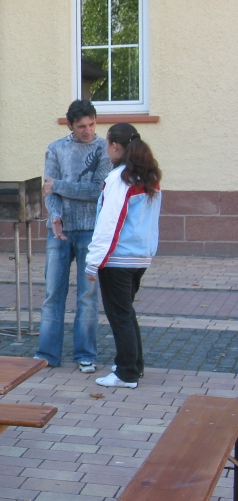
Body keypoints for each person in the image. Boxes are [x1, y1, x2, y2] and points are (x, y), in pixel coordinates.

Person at [35, 99, 110, 371]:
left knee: (87, 296)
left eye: (92, 124)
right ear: (70, 125)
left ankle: (85, 354)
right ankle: (47, 354)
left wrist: (59, 185)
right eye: (81, 126)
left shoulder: (104, 149)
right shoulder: (56, 149)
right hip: (59, 230)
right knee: (53, 293)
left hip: (91, 230)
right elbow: (49, 191)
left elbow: (97, 191)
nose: (88, 131)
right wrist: (55, 216)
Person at [86, 123, 162, 389]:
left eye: (107, 144)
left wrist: (94, 261)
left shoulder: (120, 178)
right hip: (139, 257)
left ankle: (126, 373)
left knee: (119, 315)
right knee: (126, 313)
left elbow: (110, 222)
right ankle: (133, 366)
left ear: (116, 146)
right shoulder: (148, 177)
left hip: (118, 259)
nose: (106, 149)